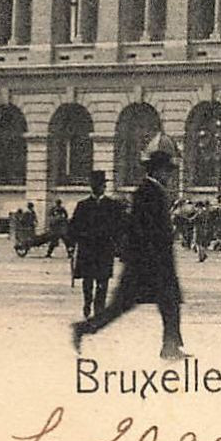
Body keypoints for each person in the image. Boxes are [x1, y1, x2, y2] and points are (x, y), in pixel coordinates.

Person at [72, 149, 186, 360]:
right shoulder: (147, 191)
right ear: (158, 170)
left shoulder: (154, 190)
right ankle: (83, 329)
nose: (170, 176)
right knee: (122, 306)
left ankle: (170, 346)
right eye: (167, 171)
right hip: (147, 263)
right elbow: (141, 228)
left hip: (153, 261)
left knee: (170, 302)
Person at [68, 171, 123, 322]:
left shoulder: (112, 206)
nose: (100, 188)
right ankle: (87, 302)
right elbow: (73, 227)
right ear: (91, 187)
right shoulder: (83, 205)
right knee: (87, 280)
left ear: (104, 187)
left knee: (103, 280)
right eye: (96, 185)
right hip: (87, 248)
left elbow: (119, 227)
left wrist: (119, 246)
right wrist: (71, 245)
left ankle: (99, 308)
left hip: (105, 248)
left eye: (102, 185)